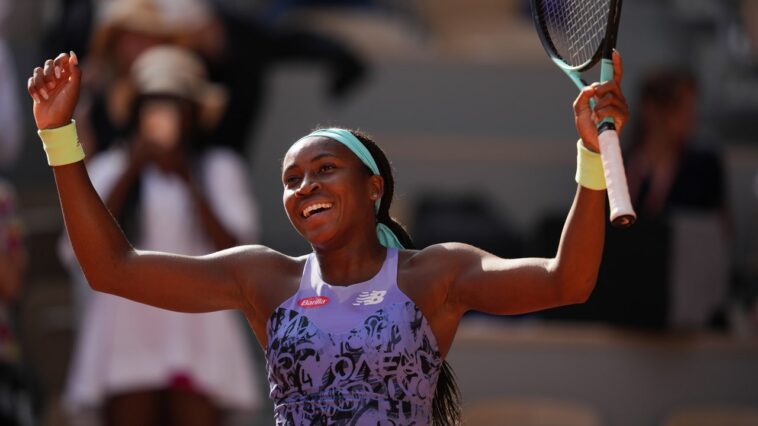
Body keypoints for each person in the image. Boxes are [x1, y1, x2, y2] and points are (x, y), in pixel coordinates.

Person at [27, 50, 628, 424]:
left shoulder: (436, 274)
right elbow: (113, 270)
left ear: (373, 188)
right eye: (291, 179)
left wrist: (590, 157)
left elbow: (567, 282)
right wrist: (60, 138)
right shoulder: (265, 278)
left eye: (324, 170)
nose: (305, 186)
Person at [59, 46, 262, 426]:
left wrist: (188, 180)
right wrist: (132, 168)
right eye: (154, 101)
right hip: (125, 327)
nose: (164, 113)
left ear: (194, 113)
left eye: (175, 102)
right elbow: (80, 248)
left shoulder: (219, 169)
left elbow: (240, 254)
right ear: (137, 109)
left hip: (201, 323)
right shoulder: (109, 167)